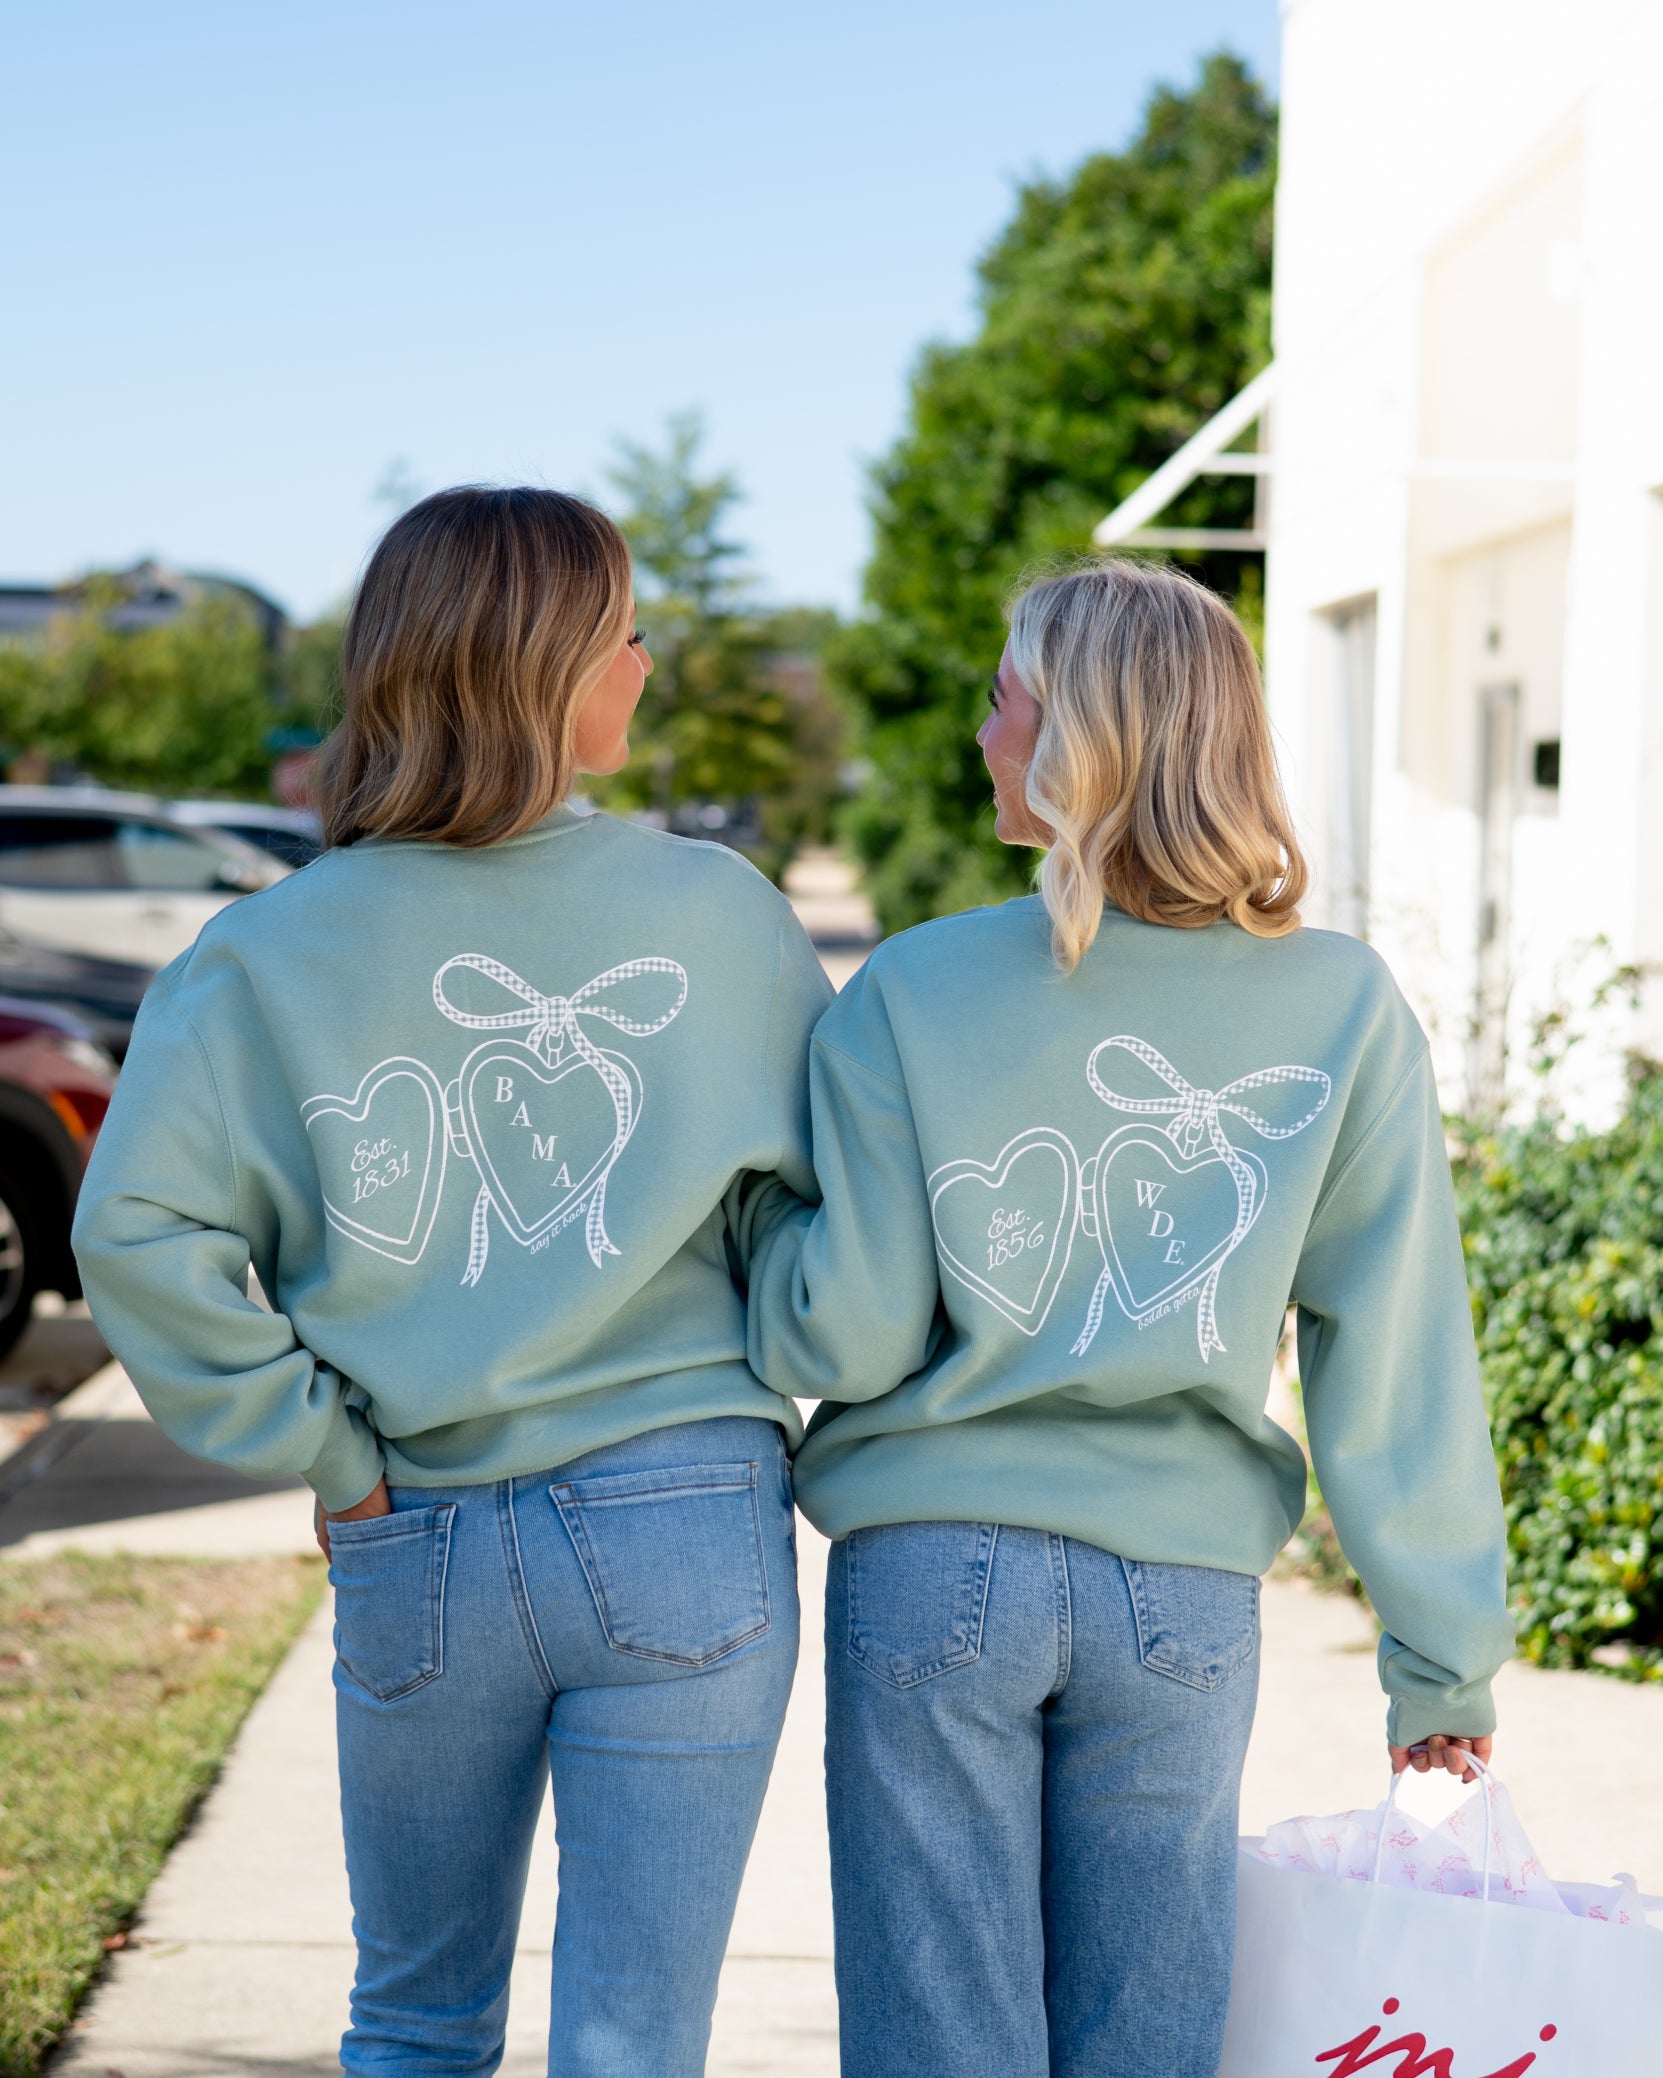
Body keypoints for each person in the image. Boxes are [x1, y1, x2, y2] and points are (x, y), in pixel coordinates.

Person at [73, 487, 831, 2077]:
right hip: (686, 1517)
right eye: (625, 629)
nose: (647, 660)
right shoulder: (723, 917)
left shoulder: (265, 948)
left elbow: (137, 1235)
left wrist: (327, 1449)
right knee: (637, 2041)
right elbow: (816, 1234)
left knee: (414, 2026)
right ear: (547, 665)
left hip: (413, 1521)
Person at [748, 558, 1514, 2078]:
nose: (981, 732)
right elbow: (1396, 1356)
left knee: (938, 2044)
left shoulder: (909, 991)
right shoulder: (1347, 1007)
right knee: (1149, 2045)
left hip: (930, 1569)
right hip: (1180, 1597)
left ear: (1086, 734)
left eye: (1004, 698)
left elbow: (842, 1336)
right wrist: (1441, 1660)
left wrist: (764, 1230)